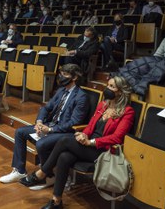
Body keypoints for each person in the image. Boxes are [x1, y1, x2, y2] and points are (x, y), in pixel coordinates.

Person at [19, 76, 134, 209]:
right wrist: (84, 133)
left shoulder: (127, 112)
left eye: (112, 87)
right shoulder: (103, 105)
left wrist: (90, 142)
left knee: (65, 141)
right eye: (107, 85)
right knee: (64, 157)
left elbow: (117, 138)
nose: (108, 89)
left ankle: (42, 172)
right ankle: (56, 201)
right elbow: (91, 126)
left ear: (120, 91)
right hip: (88, 145)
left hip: (104, 150)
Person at [0, 64, 90, 190]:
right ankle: (19, 171)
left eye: (65, 75)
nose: (61, 77)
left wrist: (51, 130)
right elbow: (46, 108)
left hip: (65, 132)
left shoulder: (81, 96)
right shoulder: (61, 90)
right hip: (49, 125)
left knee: (42, 144)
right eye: (61, 74)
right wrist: (39, 122)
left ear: (74, 77)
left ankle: (49, 176)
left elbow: (74, 122)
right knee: (20, 132)